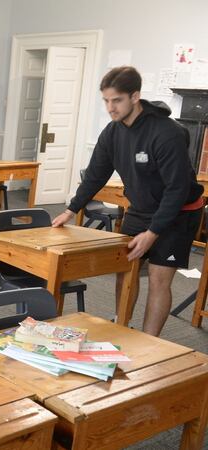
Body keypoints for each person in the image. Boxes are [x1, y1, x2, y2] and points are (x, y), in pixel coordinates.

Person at [51, 66, 203, 336]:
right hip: (141, 209)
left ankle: (149, 342)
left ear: (135, 97)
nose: (110, 107)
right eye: (106, 101)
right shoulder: (112, 132)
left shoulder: (166, 133)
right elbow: (96, 174)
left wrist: (153, 233)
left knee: (158, 278)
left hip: (178, 212)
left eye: (116, 100)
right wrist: (71, 209)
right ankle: (123, 326)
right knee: (126, 268)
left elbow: (177, 189)